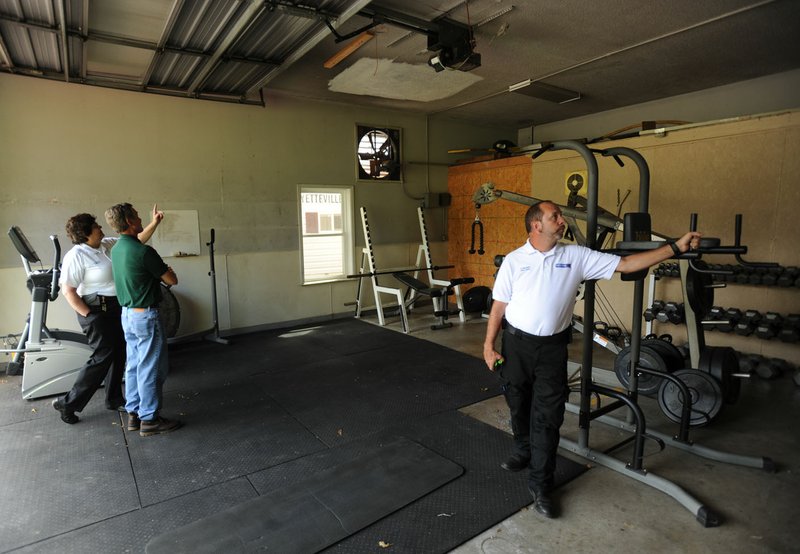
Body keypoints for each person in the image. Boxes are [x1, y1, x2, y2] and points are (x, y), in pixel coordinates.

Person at [483, 200, 701, 519]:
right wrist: (489, 345)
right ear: (536, 226)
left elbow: (627, 264)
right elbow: (498, 307)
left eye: (559, 215)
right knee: (517, 401)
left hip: (552, 351)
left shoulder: (576, 255)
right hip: (515, 345)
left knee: (548, 416)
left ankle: (540, 485)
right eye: (554, 216)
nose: (561, 220)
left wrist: (674, 248)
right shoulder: (515, 261)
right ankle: (523, 450)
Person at [52, 208, 164, 424]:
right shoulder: (76, 255)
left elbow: (138, 238)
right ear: (85, 233)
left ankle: (113, 399)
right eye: (96, 227)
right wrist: (89, 315)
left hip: (116, 308)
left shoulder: (107, 244)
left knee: (121, 352)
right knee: (103, 356)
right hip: (94, 311)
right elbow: (68, 291)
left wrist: (155, 222)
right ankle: (69, 403)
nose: (101, 228)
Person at [105, 203, 182, 437]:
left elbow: (138, 239)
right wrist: (168, 270)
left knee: (135, 365)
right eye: (137, 216)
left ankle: (134, 413)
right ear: (129, 221)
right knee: (152, 368)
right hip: (146, 316)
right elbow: (172, 279)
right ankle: (150, 419)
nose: (140, 218)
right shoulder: (145, 253)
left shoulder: (118, 249)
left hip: (128, 315)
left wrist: (155, 222)